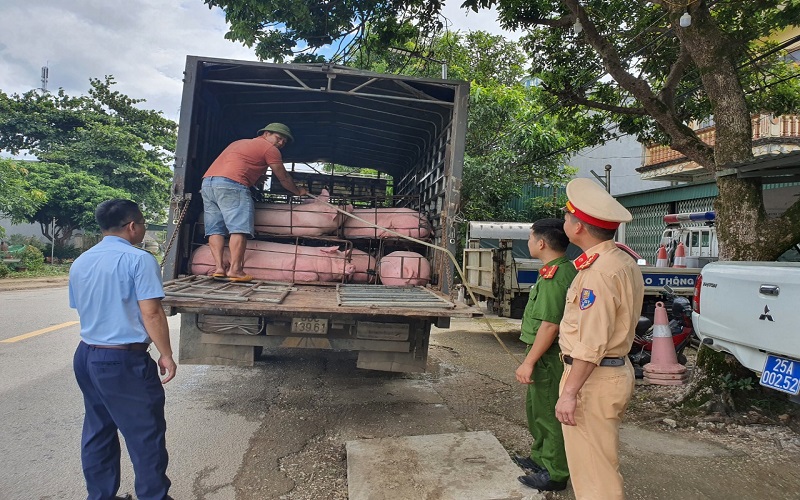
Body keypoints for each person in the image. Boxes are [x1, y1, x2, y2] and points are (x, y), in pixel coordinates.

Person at [70, 199, 176, 500]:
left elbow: (82, 307)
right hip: (122, 360)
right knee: (145, 433)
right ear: (133, 226)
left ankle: (101, 496)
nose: (142, 229)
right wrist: (165, 353)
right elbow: (151, 312)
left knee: (98, 428)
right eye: (142, 224)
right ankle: (154, 496)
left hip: (88, 354)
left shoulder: (82, 261)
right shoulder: (139, 260)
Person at [555, 178, 644, 500]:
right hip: (607, 372)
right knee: (594, 465)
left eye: (567, 217)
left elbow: (592, 342)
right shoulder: (620, 261)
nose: (564, 222)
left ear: (578, 227)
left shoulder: (599, 273)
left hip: (593, 378)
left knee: (595, 474)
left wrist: (570, 393)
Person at [514, 219, 577, 492]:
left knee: (550, 413)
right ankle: (540, 458)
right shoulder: (552, 271)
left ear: (540, 243)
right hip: (541, 354)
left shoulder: (557, 275)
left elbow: (550, 325)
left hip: (549, 357)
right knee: (537, 409)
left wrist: (528, 362)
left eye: (530, 238)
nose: (529, 243)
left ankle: (555, 473)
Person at [201, 122, 308, 282]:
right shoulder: (270, 150)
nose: (280, 143)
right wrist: (298, 191)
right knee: (238, 228)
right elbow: (283, 177)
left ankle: (219, 268)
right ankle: (236, 270)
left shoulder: (239, 142)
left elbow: (240, 165)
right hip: (232, 185)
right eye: (278, 138)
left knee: (215, 228)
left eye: (283, 142)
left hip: (209, 183)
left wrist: (256, 179)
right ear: (266, 133)